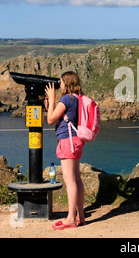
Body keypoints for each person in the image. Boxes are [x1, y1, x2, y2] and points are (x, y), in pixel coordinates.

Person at [45, 71, 86, 230]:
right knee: (77, 178)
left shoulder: (66, 99)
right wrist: (51, 106)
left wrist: (53, 98)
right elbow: (60, 116)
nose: (59, 84)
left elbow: (50, 120)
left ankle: (70, 219)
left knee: (70, 181)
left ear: (67, 83)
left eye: (61, 82)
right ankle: (80, 216)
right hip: (77, 141)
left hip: (67, 141)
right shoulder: (77, 99)